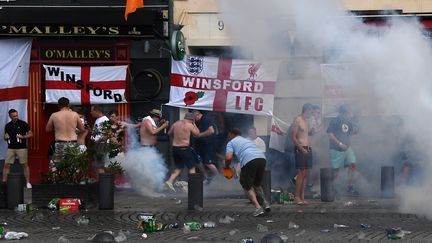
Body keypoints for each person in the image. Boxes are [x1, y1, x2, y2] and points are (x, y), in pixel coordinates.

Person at [224, 128, 270, 217]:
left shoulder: (231, 142)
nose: (228, 137)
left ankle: (258, 208)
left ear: (231, 134)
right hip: (262, 159)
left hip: (250, 160)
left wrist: (226, 166)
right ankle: (265, 203)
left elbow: (228, 157)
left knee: (246, 186)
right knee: (256, 184)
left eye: (229, 135)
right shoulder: (245, 140)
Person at [327, 104, 359, 195]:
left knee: (352, 165)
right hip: (336, 148)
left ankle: (350, 186)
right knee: (336, 170)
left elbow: (350, 133)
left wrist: (355, 131)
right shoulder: (334, 121)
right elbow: (330, 134)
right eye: (345, 113)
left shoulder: (349, 121)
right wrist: (340, 144)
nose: (346, 115)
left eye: (347, 113)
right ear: (341, 112)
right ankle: (333, 187)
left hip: (347, 148)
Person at [164, 112, 201, 192]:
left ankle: (169, 181)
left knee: (179, 167)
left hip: (175, 149)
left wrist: (177, 137)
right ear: (192, 119)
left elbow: (169, 133)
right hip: (184, 149)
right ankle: (192, 186)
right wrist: (194, 124)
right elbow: (198, 134)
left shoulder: (176, 123)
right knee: (192, 167)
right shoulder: (190, 125)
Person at [46, 97, 85, 169]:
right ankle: (72, 180)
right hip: (72, 143)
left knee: (55, 167)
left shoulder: (54, 115)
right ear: (68, 105)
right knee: (72, 166)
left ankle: (57, 179)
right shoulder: (75, 114)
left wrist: (58, 127)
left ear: (58, 105)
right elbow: (82, 129)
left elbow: (48, 129)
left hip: (60, 143)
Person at [3, 109, 33, 188]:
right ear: (10, 116)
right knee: (6, 165)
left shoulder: (23, 124)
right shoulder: (8, 125)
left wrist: (23, 136)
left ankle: (28, 182)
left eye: (16, 115)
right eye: (14, 116)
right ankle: (4, 183)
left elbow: (31, 134)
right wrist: (5, 137)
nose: (16, 117)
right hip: (11, 148)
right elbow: (5, 136)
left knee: (25, 165)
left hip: (21, 147)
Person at [290, 103, 314, 204]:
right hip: (300, 149)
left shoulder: (306, 121)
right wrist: (301, 148)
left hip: (308, 148)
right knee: (301, 173)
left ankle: (303, 197)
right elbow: (293, 137)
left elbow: (305, 134)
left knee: (305, 174)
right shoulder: (298, 120)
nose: (311, 114)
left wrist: (312, 131)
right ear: (307, 110)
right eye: (311, 112)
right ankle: (297, 197)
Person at [193, 110, 219, 183]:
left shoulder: (206, 119)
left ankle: (218, 177)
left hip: (209, 144)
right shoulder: (198, 121)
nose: (194, 119)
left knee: (208, 162)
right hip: (201, 145)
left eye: (194, 118)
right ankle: (206, 176)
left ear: (197, 115)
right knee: (197, 160)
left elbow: (211, 131)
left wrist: (199, 135)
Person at [90, 104, 109, 176]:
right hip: (96, 145)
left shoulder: (105, 120)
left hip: (101, 145)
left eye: (92, 111)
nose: (90, 112)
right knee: (96, 166)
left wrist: (98, 141)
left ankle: (102, 185)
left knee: (99, 166)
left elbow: (108, 134)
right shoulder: (98, 120)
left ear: (97, 111)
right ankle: (99, 184)